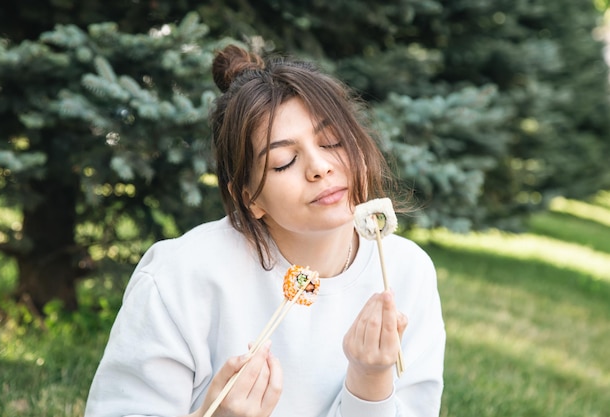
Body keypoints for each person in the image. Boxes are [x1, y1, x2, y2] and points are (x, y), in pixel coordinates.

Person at [85, 44, 446, 417]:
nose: (319, 167)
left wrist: (370, 381)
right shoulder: (180, 274)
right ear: (249, 198)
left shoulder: (406, 272)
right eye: (283, 161)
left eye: (332, 141)